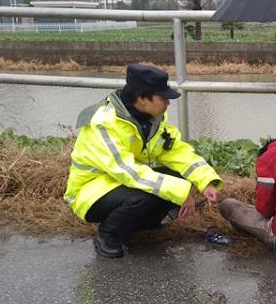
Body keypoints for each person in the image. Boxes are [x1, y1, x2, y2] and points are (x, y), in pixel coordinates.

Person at [64, 64, 222, 258]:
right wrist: (181, 192)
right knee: (144, 195)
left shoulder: (152, 118)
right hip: (91, 192)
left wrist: (206, 182)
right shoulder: (103, 123)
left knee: (177, 176)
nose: (168, 104)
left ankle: (142, 223)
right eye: (163, 98)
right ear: (141, 98)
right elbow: (128, 172)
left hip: (121, 182)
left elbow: (176, 152)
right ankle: (108, 235)